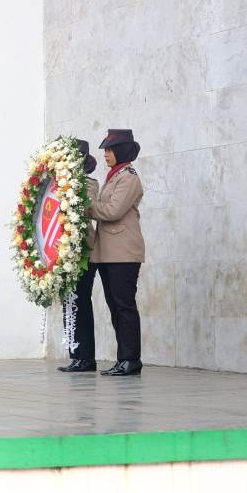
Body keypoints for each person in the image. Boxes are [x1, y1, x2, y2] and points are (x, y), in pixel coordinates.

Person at [90, 129, 145, 376]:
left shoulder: (128, 178)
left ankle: (131, 359)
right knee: (115, 307)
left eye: (110, 150)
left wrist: (85, 206)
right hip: (109, 255)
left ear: (122, 151)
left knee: (124, 307)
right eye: (105, 151)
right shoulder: (114, 177)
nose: (105, 155)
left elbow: (112, 211)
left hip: (123, 254)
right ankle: (123, 358)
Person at [58, 139, 100, 372]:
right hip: (64, 254)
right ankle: (76, 354)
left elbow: (86, 208)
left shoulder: (89, 183)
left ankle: (86, 357)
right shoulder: (59, 184)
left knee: (81, 303)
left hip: (83, 253)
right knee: (69, 303)